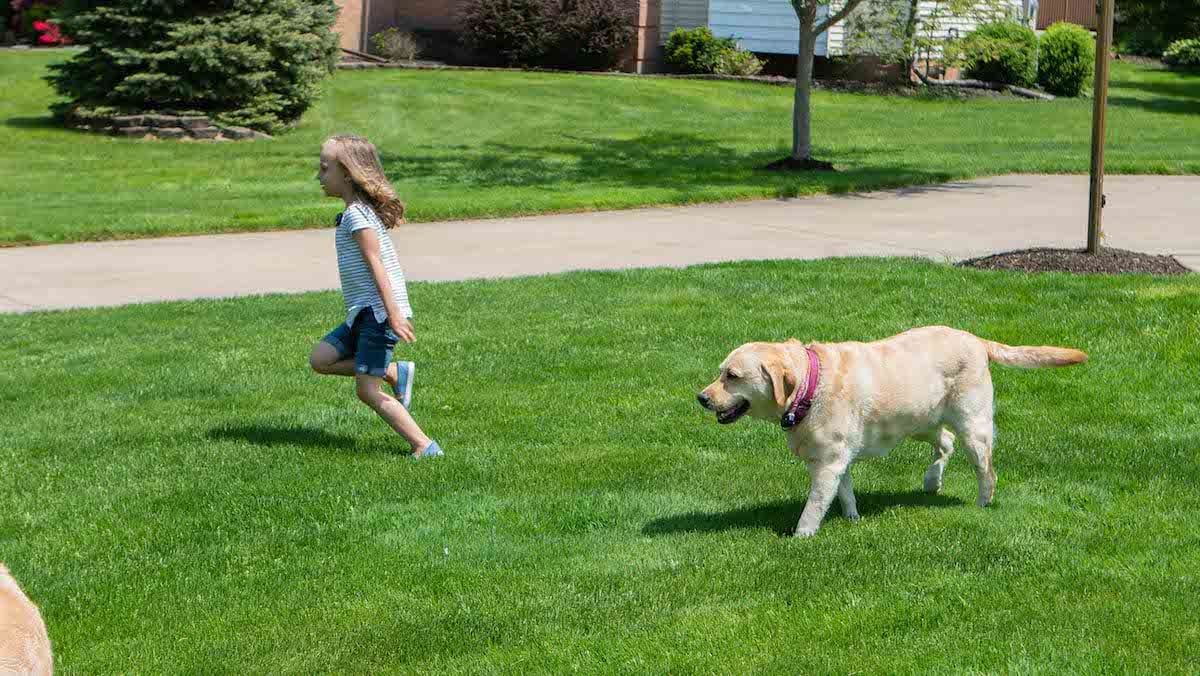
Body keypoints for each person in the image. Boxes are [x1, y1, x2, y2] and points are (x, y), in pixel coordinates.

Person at [308, 134, 442, 458]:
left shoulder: (357, 216)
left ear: (347, 173)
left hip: (377, 314)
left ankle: (424, 445)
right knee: (321, 359)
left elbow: (376, 264)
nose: (318, 176)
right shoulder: (354, 212)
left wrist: (393, 314)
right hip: (362, 311)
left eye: (325, 168)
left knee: (367, 390)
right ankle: (394, 371)